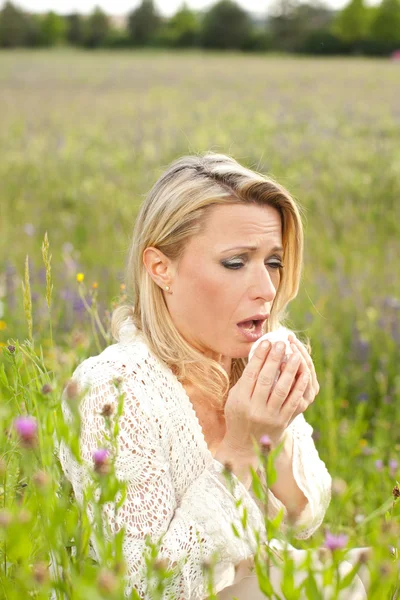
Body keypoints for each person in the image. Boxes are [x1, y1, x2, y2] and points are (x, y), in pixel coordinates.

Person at [58, 152, 368, 599]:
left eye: (274, 262)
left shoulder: (251, 359)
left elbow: (306, 514)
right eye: (235, 262)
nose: (266, 288)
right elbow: (146, 587)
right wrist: (240, 446)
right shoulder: (112, 389)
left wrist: (273, 429)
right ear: (161, 268)